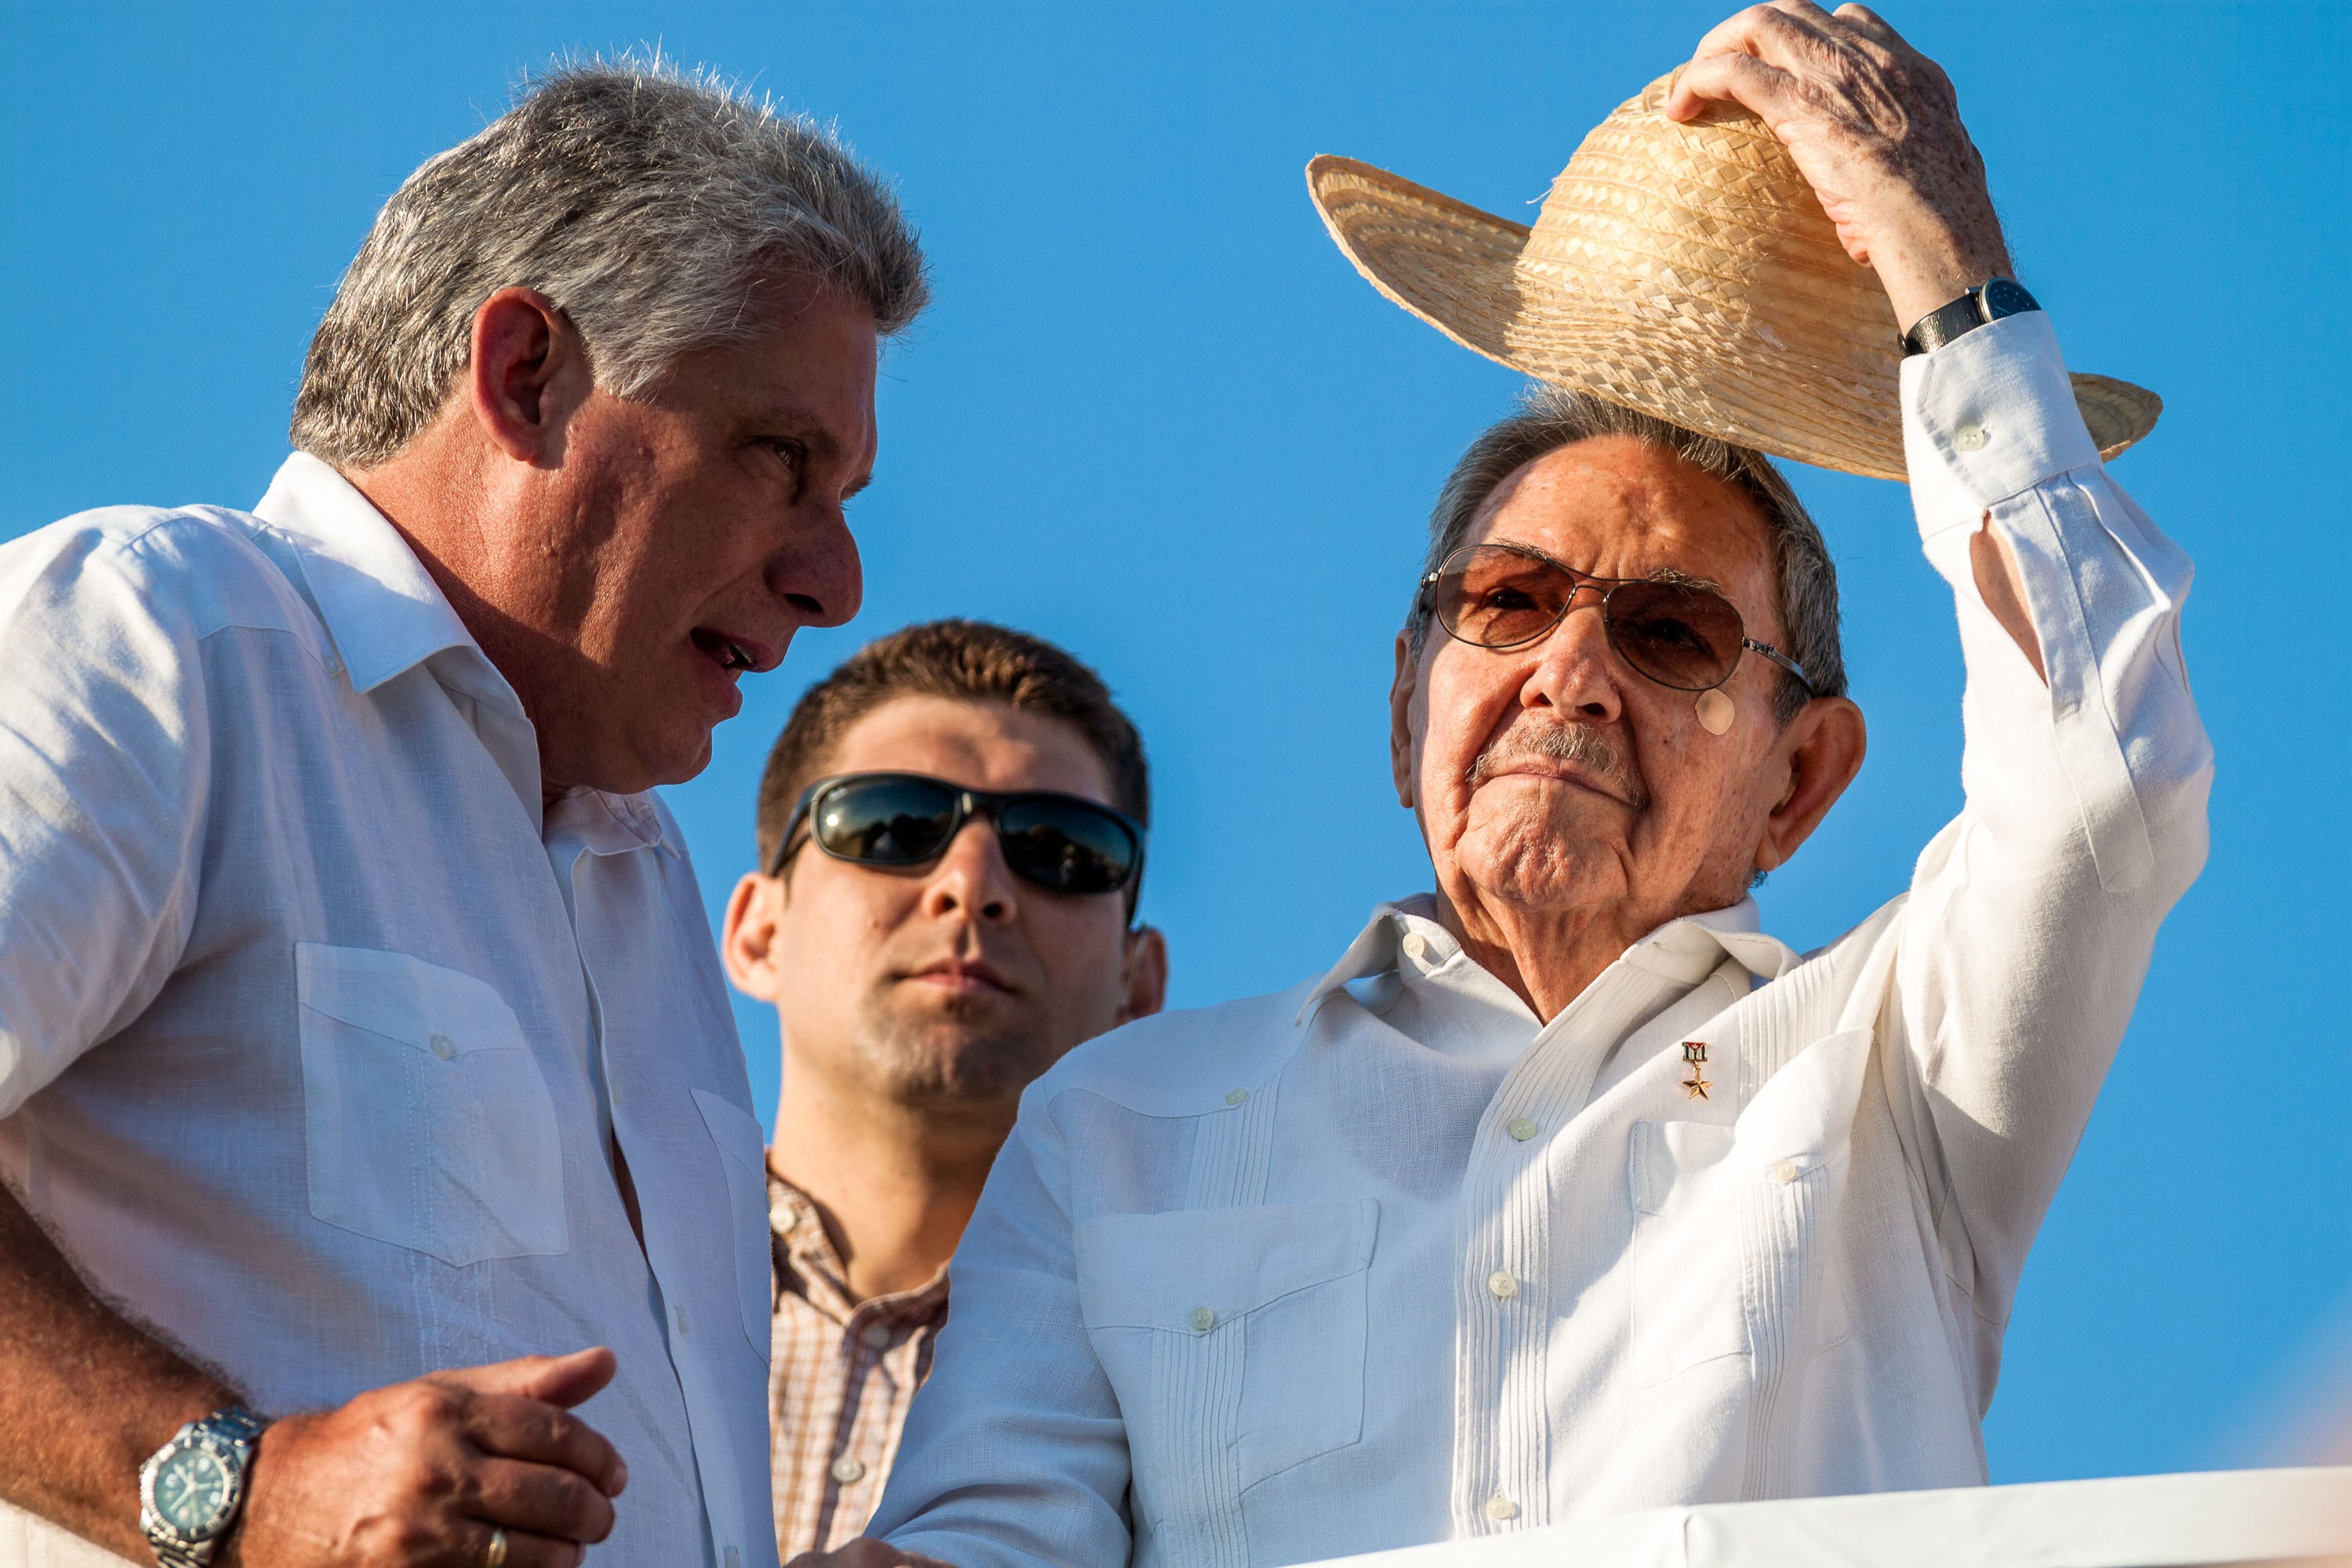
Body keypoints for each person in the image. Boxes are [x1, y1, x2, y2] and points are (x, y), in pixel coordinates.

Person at [811, 6, 2212, 1566]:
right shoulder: (1118, 1125)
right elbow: (987, 1542)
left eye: (1672, 635)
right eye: (1509, 603)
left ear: (1800, 778)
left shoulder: (1901, 1073)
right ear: (1408, 699)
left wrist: (1941, 268)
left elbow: (2098, 783)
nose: (1571, 673)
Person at [0, 60, 924, 1568]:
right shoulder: (161, 633)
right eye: (780, 460)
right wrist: (241, 1488)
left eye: (847, 496)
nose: (837, 584)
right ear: (524, 375)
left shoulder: (643, 877)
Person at [717, 620, 1169, 1561]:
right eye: (892, 823)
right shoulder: (573, 1266)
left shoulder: (1197, 1366)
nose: (972, 884)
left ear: (1141, 985)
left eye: (1058, 846)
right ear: (760, 931)